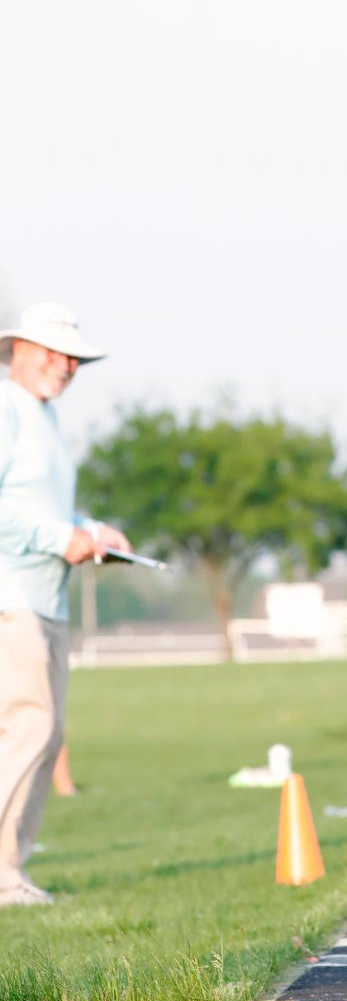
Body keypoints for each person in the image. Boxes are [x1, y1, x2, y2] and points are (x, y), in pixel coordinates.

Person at [0, 303, 131, 906]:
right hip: (13, 597)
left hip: (45, 599)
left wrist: (94, 530)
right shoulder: (6, 409)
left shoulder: (43, 418)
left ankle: (12, 872)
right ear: (18, 351)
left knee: (42, 736)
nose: (66, 365)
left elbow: (46, 508)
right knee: (32, 729)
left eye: (72, 357)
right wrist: (63, 539)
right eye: (52, 353)